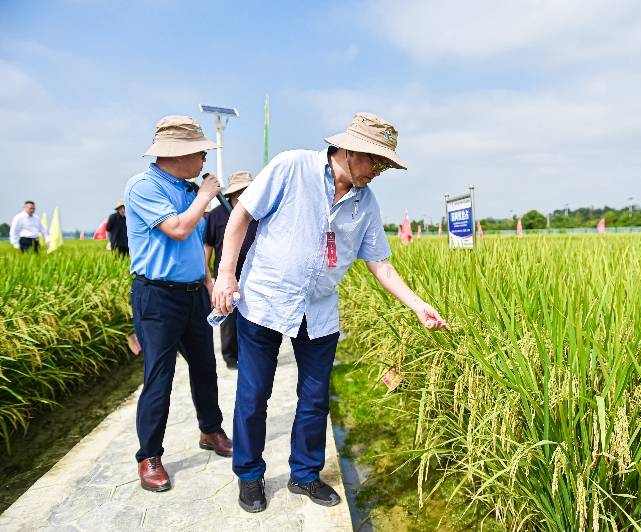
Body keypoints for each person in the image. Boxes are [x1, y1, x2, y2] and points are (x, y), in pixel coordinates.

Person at [212, 112, 448, 513]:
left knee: (315, 398)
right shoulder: (291, 166)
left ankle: (305, 475)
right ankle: (249, 475)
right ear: (351, 150)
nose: (378, 172)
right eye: (376, 161)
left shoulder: (366, 203)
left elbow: (381, 264)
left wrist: (417, 305)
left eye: (384, 165)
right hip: (265, 300)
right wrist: (225, 274)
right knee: (253, 395)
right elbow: (242, 214)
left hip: (319, 310)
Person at [124, 115, 232, 493]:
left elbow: (192, 245)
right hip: (157, 296)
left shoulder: (187, 190)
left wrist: (209, 280)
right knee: (159, 376)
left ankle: (211, 430)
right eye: (200, 152)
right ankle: (149, 456)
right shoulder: (143, 187)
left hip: (192, 293)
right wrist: (205, 196)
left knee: (205, 367)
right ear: (179, 154)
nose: (204, 159)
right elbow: (178, 229)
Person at [204, 171, 258, 369]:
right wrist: (207, 275)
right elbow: (208, 245)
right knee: (228, 317)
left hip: (253, 273)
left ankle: (251, 354)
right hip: (227, 275)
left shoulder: (258, 211)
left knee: (254, 316)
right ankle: (230, 356)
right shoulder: (217, 215)